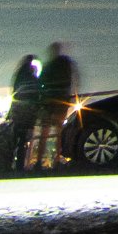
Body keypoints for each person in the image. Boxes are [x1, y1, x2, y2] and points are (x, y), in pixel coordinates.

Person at [38, 39, 80, 169]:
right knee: (58, 132)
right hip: (62, 101)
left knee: (44, 132)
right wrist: (73, 95)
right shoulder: (66, 64)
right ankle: (56, 161)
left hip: (48, 102)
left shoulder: (48, 66)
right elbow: (74, 79)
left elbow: (41, 83)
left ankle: (39, 162)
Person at [5, 51, 45, 173]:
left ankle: (8, 163)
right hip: (28, 114)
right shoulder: (34, 79)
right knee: (23, 141)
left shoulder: (19, 76)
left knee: (14, 139)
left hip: (18, 112)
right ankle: (20, 166)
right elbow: (38, 95)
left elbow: (15, 94)